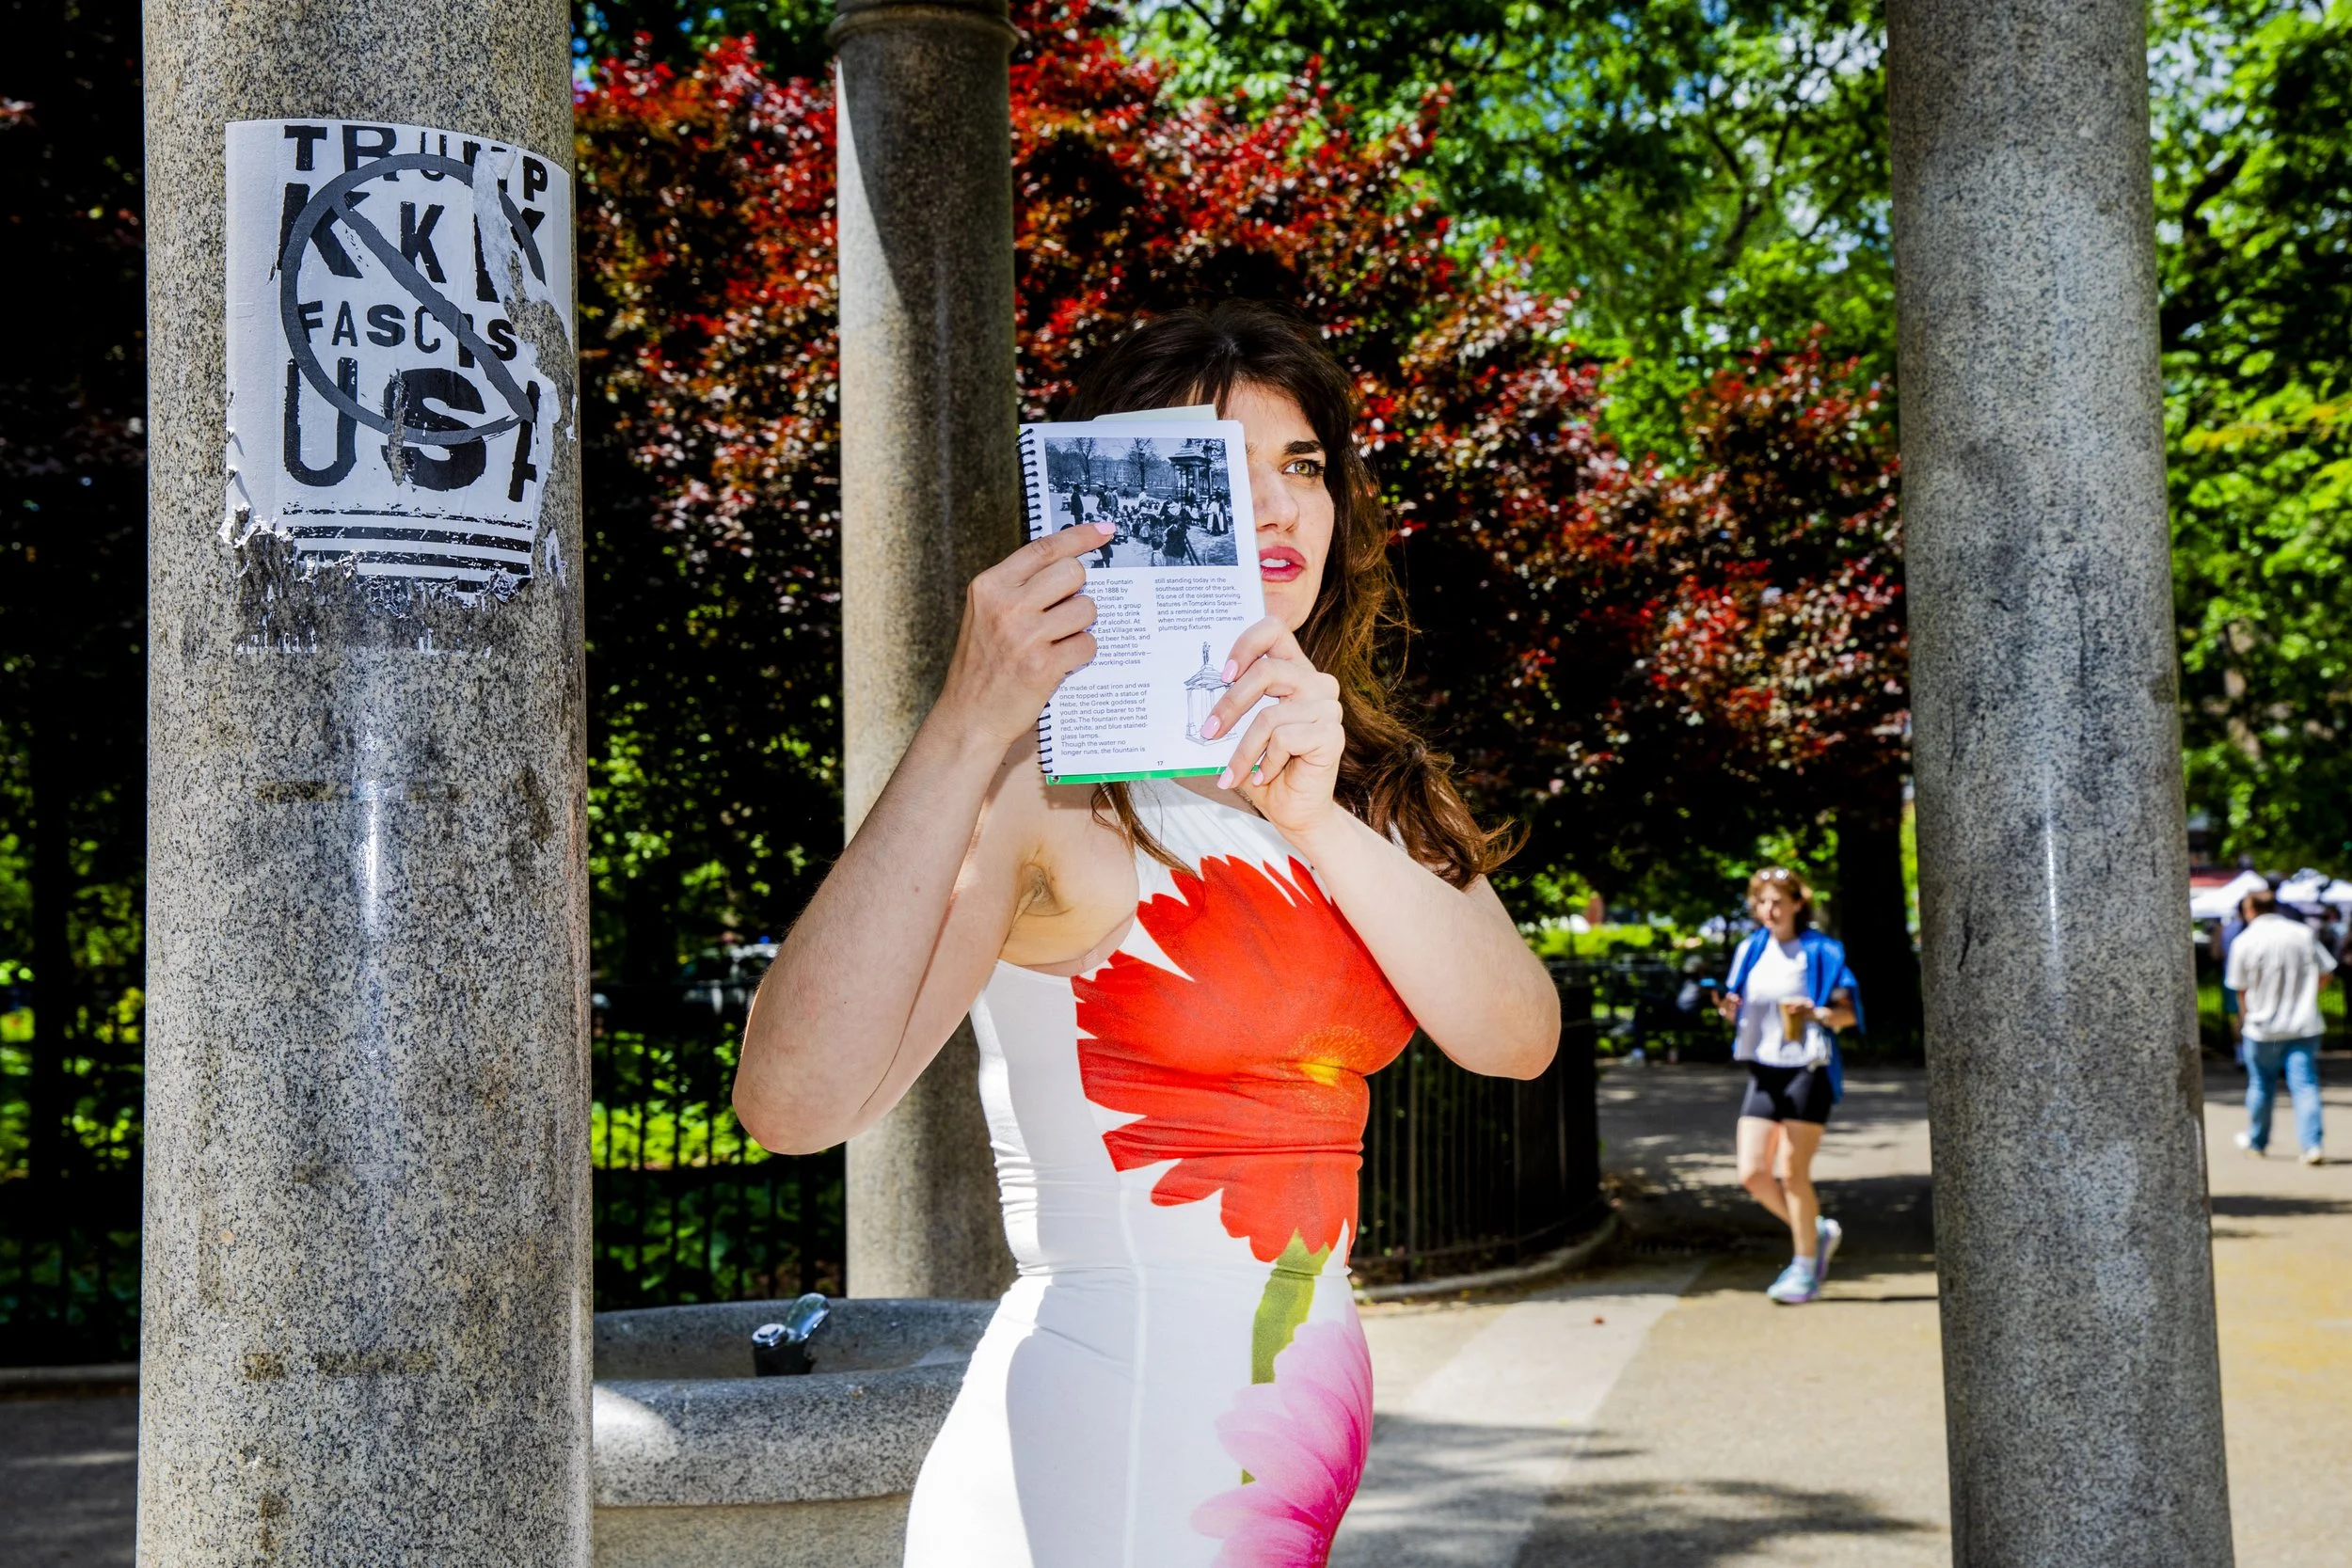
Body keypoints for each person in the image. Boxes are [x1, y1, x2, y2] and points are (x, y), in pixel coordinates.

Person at [732, 301, 1561, 1565]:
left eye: (1305, 465)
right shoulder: (1055, 789)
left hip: (1269, 1431)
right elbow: (794, 1102)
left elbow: (1517, 1036)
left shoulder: (1369, 777)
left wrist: (1323, 816)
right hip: (1104, 1428)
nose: (1281, 507)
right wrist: (966, 722)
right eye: (1225, 469)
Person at [1713, 867, 1861, 1306]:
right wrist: (1728, 1008)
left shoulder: (1821, 952)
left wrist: (1816, 1012)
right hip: (1764, 1067)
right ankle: (1814, 1230)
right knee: (1753, 1174)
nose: (1769, 910)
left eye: (1777, 901)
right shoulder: (1750, 950)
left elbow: (1848, 1014)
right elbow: (1735, 1009)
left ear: (1798, 903)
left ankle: (1804, 1265)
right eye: (1761, 902)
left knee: (1791, 1174)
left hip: (1807, 1068)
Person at [2226, 886, 2333, 1164]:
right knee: (2305, 1085)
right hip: (2302, 1023)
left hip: (2262, 1027)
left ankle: (2257, 1140)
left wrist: (2244, 1015)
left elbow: (2240, 988)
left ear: (2250, 910)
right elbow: (2325, 972)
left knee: (2261, 1084)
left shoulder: (2245, 940)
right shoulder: (2301, 933)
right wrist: (2305, 996)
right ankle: (2312, 1145)